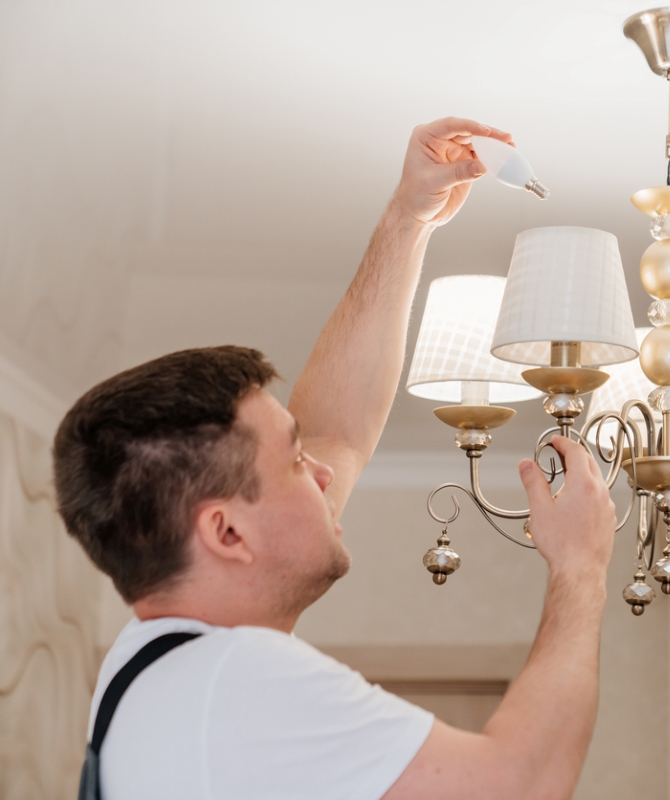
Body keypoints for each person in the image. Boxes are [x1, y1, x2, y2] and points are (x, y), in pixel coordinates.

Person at [53, 117, 617, 799]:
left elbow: (336, 435)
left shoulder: (147, 669)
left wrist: (411, 218)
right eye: (293, 464)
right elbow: (522, 783)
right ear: (226, 531)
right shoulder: (237, 677)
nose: (320, 473)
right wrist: (581, 568)